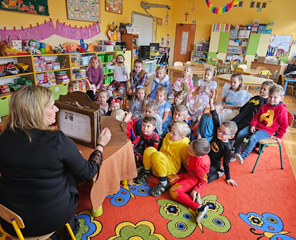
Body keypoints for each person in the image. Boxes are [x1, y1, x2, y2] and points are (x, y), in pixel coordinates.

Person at [0, 85, 111, 238]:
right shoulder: (57, 139)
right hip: (48, 220)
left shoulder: (3, 136)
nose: (57, 110)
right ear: (37, 112)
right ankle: (69, 228)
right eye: (52, 106)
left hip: (9, 219)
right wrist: (101, 145)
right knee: (72, 174)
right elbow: (90, 171)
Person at [234, 85, 289, 164]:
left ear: (281, 98)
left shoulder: (282, 109)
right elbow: (256, 117)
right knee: (240, 134)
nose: (272, 99)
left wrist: (280, 136)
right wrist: (253, 125)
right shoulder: (264, 106)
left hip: (267, 130)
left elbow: (284, 125)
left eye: (275, 97)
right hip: (256, 126)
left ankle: (243, 156)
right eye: (270, 97)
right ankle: (236, 153)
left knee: (253, 138)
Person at [135, 122, 190, 197]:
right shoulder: (167, 136)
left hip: (170, 168)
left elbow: (186, 160)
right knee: (149, 149)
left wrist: (189, 172)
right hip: (159, 161)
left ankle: (163, 183)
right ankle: (147, 172)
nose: (170, 134)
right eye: (171, 131)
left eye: (174, 134)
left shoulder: (184, 145)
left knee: (157, 155)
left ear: (182, 137)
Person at [168, 139, 211, 223]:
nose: (187, 149)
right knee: (170, 178)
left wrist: (196, 190)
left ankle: (199, 207)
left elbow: (204, 181)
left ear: (197, 156)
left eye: (190, 150)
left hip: (193, 179)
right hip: (188, 175)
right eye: (189, 145)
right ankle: (190, 193)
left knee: (173, 191)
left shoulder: (200, 166)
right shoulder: (195, 149)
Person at [207, 96, 238, 187]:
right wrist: (211, 104)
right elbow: (215, 117)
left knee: (205, 178)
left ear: (231, 136)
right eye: (219, 130)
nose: (220, 133)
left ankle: (220, 173)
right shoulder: (217, 133)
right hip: (205, 157)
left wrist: (228, 177)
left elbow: (226, 162)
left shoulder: (227, 147)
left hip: (214, 165)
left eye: (224, 133)